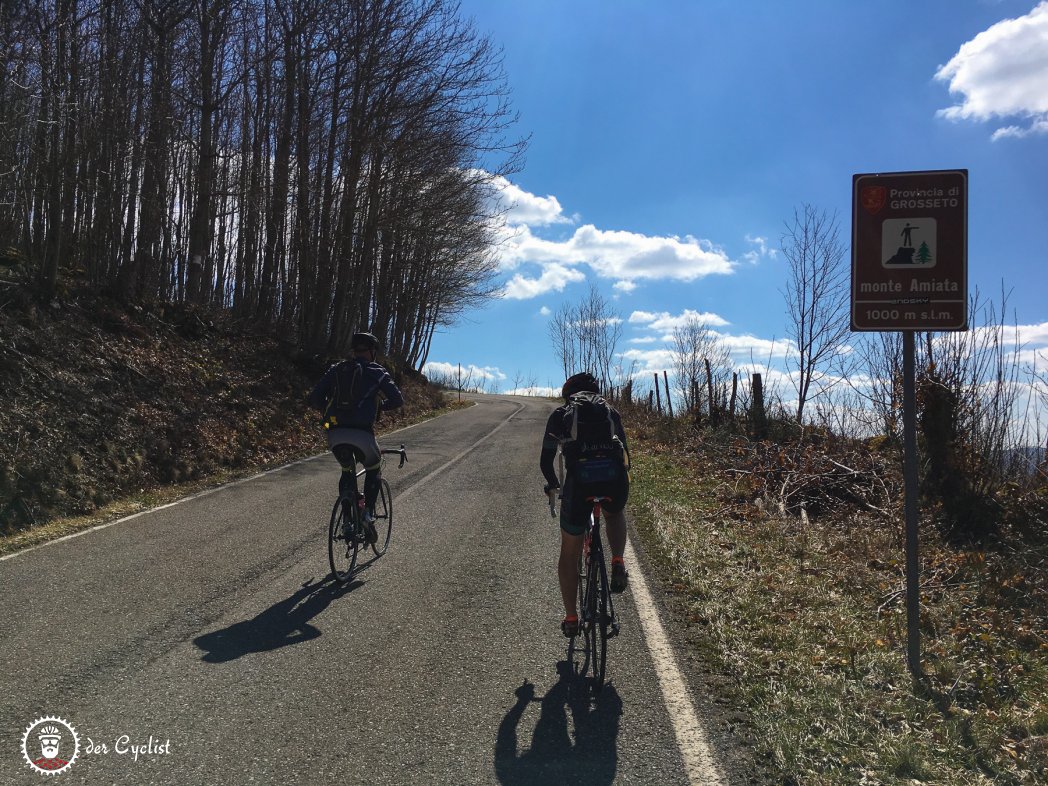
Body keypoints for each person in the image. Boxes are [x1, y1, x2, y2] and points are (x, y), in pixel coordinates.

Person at [539, 372, 631, 637]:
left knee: (570, 552)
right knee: (614, 514)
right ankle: (617, 560)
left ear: (569, 395)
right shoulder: (611, 413)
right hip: (613, 481)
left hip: (579, 486)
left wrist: (553, 483)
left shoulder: (561, 415)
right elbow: (625, 453)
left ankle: (571, 618)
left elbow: (546, 461)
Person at [308, 332, 404, 542]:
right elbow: (397, 400)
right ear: (372, 352)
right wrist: (379, 407)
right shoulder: (377, 372)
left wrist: (332, 410)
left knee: (347, 469)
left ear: (353, 350)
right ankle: (368, 513)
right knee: (373, 467)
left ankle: (347, 521)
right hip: (362, 433)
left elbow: (314, 398)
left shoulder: (337, 369)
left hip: (334, 432)